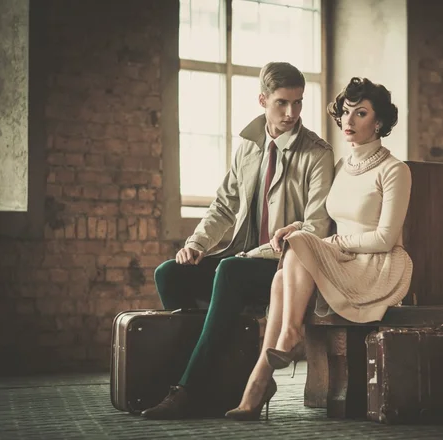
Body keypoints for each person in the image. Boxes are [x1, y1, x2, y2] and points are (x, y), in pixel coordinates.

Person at [141, 62, 335, 419]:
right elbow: (225, 204)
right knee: (169, 273)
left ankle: (188, 389)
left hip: (286, 271)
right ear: (262, 100)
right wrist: (198, 243)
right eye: (282, 103)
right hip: (241, 263)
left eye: (298, 102)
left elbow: (317, 226)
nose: (292, 112)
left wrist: (255, 254)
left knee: (230, 270)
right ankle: (217, 375)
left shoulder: (318, 154)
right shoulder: (248, 146)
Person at [225, 77, 413, 421]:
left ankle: (278, 353)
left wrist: (331, 243)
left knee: (296, 251)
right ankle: (262, 379)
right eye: (345, 113)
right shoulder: (342, 166)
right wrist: (297, 227)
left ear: (380, 122)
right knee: (283, 276)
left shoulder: (394, 170)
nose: (349, 122)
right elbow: (327, 222)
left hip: (376, 267)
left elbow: (386, 238)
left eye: (360, 114)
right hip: (342, 259)